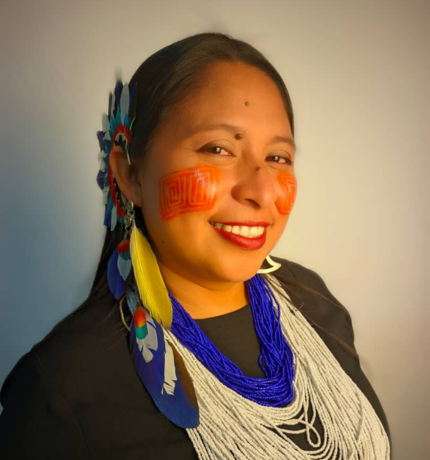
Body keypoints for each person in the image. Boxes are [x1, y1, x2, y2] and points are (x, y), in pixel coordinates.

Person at [0, 32, 390, 459]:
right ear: (130, 174)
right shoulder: (62, 387)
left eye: (278, 157)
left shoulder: (313, 301)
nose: (261, 190)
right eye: (218, 149)